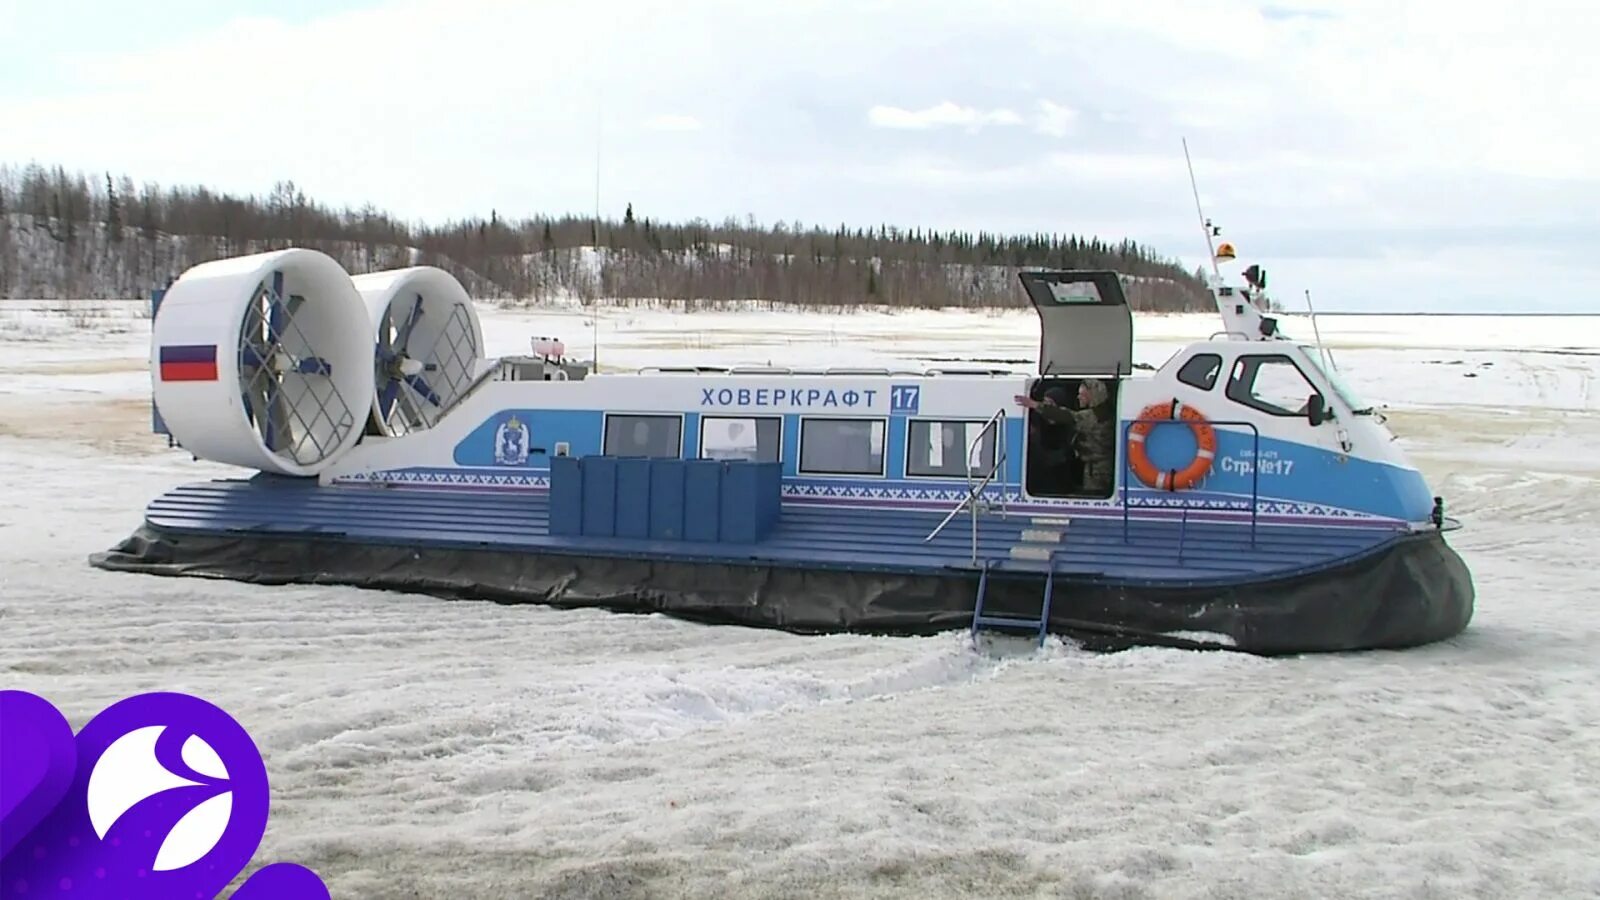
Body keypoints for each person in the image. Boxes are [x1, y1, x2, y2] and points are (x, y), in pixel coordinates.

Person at [1014, 379, 1115, 494]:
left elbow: (1067, 416)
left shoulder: (1096, 416)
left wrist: (1034, 405)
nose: (1078, 397)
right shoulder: (1104, 412)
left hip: (1098, 471)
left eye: (1082, 394)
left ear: (1093, 395)